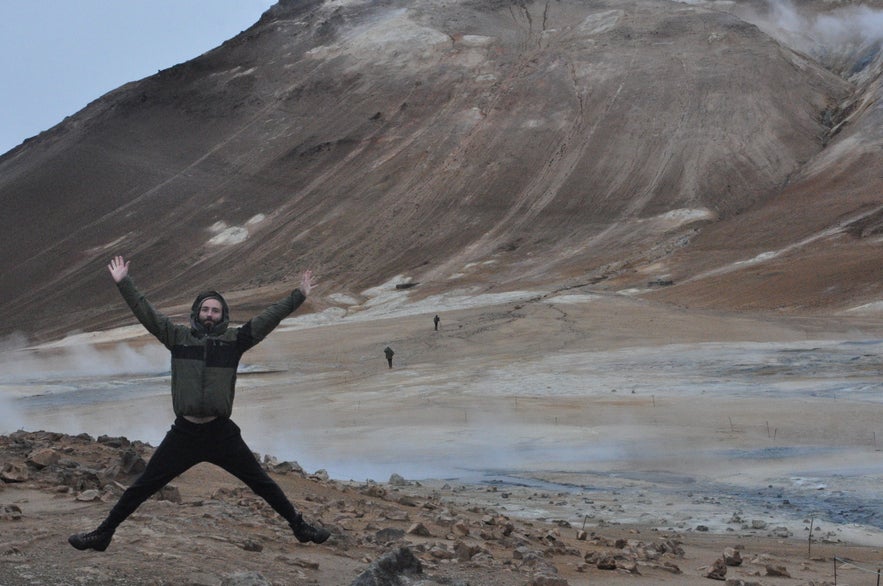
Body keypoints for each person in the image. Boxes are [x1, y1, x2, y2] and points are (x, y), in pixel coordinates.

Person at [68, 255, 330, 552]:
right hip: (185, 433)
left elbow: (268, 318)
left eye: (215, 310)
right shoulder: (177, 337)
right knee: (142, 487)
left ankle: (299, 526)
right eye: (205, 309)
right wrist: (124, 283)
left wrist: (299, 295)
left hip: (221, 433)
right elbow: (147, 313)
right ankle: (102, 534)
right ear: (197, 312)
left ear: (223, 315)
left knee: (261, 482)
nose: (209, 314)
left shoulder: (235, 341)